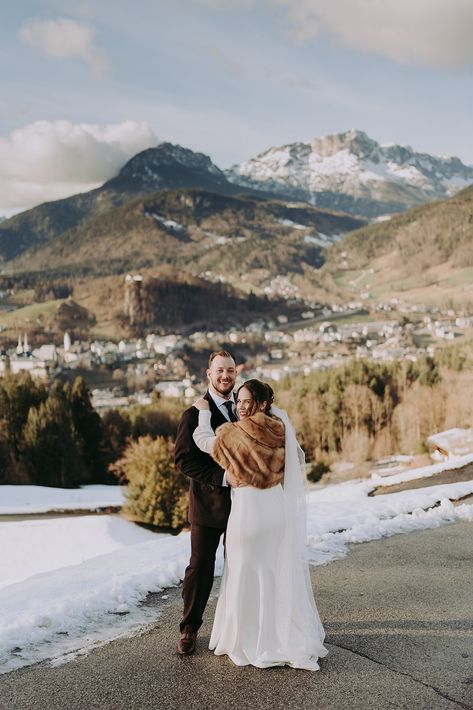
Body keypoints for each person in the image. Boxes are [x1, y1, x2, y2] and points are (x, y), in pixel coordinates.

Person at [192, 379, 328, 671]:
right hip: (275, 511)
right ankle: (279, 633)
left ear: (262, 403)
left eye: (246, 401)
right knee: (273, 573)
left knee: (244, 573)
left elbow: (203, 441)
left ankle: (247, 639)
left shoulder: (234, 434)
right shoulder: (280, 428)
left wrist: (203, 412)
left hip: (249, 514)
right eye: (238, 401)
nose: (241, 407)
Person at [174, 350, 239, 655]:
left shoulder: (245, 408)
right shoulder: (194, 413)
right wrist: (223, 477)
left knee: (243, 565)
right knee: (200, 567)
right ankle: (189, 629)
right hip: (207, 507)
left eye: (230, 370)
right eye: (220, 371)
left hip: (244, 506)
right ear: (209, 375)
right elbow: (184, 461)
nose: (226, 375)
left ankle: (241, 625)